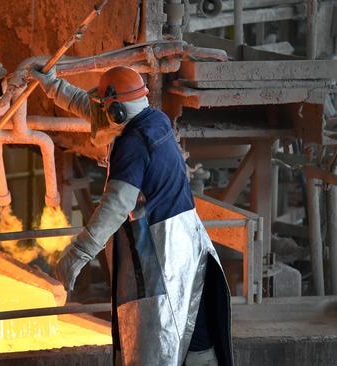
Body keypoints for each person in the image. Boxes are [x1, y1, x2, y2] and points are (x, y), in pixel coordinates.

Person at [30, 65, 233, 366]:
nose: (100, 112)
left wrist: (78, 253)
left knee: (167, 339)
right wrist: (53, 86)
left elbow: (116, 205)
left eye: (106, 107)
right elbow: (94, 110)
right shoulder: (155, 120)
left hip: (162, 256)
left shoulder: (133, 144)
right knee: (194, 328)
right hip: (188, 243)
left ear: (118, 111)